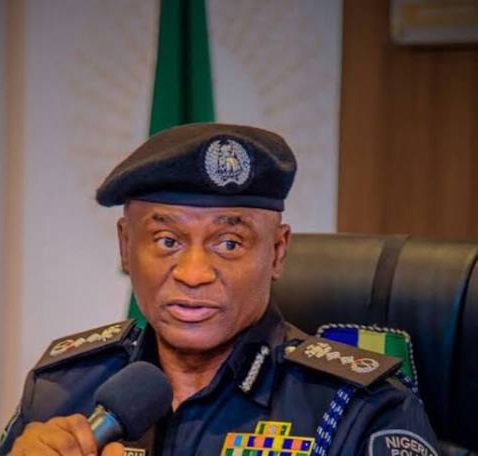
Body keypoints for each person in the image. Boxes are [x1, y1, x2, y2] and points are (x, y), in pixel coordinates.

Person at [0, 123, 440, 456]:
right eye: (167, 241)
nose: (193, 274)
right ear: (125, 246)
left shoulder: (360, 407)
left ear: (278, 252)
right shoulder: (61, 389)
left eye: (229, 243)